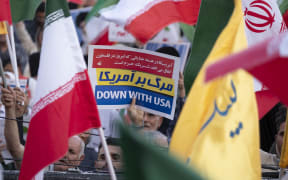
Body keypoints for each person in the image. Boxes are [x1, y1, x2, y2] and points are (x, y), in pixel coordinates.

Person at [1, 86, 85, 171]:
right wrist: (10, 109)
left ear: (80, 159)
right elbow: (15, 149)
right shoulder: (39, 169)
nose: (65, 154)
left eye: (71, 152)